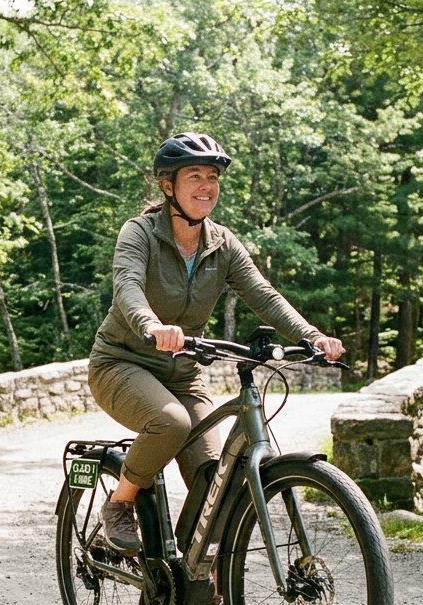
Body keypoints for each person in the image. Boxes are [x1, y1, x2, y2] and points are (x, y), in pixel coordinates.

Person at [87, 131, 345, 558]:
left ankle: (214, 598)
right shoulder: (140, 233)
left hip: (185, 373)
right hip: (122, 362)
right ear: (167, 185)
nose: (207, 186)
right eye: (195, 176)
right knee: (171, 423)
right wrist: (151, 324)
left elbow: (263, 295)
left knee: (217, 479)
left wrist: (311, 336)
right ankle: (119, 503)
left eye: (213, 177)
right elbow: (127, 286)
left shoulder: (222, 243)